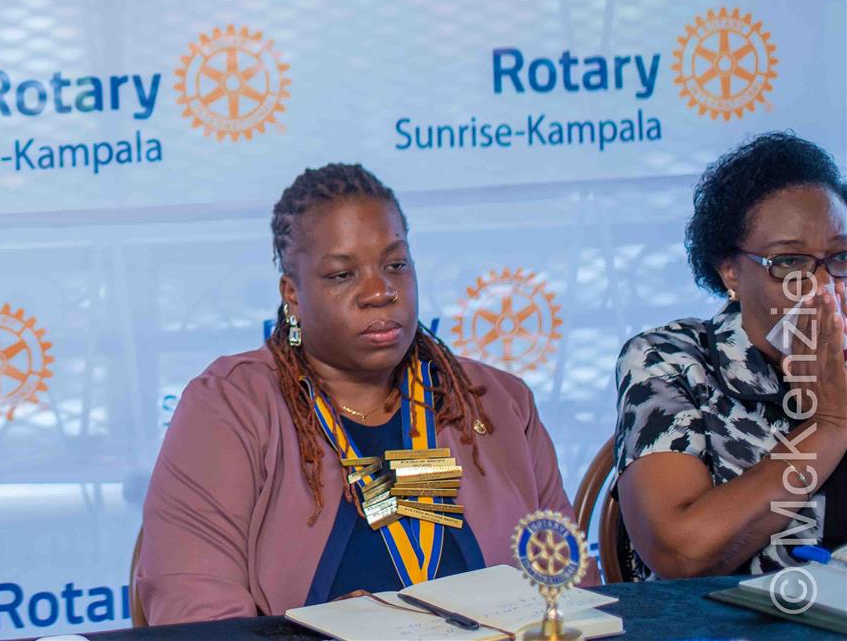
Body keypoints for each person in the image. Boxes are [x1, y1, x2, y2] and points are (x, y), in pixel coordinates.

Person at [138, 164, 574, 622]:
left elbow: (571, 593)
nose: (380, 292)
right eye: (342, 274)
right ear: (292, 294)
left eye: (396, 265)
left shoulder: (498, 401)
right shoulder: (229, 409)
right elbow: (198, 615)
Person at [614, 131, 847, 579]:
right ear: (730, 272)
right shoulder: (671, 361)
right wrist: (829, 426)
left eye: (841, 256)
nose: (823, 286)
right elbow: (681, 553)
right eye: (789, 262)